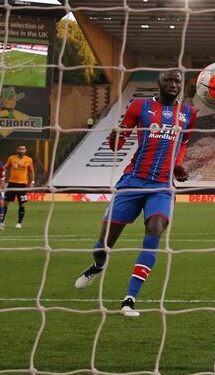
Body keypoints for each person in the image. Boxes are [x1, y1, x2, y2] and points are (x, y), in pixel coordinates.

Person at [74, 70, 197, 317]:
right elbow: (118, 145)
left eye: (177, 81)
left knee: (155, 230)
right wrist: (114, 136)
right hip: (133, 181)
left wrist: (177, 165)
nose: (173, 85)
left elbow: (182, 143)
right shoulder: (139, 106)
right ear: (159, 83)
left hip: (162, 186)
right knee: (104, 244)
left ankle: (129, 299)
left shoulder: (188, 113)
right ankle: (97, 265)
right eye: (169, 80)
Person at [3, 144, 35, 229]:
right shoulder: (11, 158)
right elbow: (5, 167)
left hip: (23, 185)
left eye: (23, 149)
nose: (22, 151)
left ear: (25, 150)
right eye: (20, 149)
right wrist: (3, 173)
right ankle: (1, 222)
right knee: (5, 202)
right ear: (17, 150)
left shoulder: (29, 159)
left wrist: (32, 181)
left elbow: (31, 171)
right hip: (12, 184)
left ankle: (19, 223)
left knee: (22, 204)